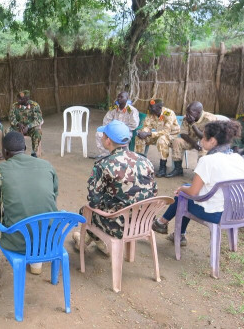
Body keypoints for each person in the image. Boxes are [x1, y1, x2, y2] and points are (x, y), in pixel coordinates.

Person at [0, 131, 58, 279]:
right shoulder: (47, 166)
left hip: (17, 241)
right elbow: (51, 203)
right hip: (48, 240)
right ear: (25, 148)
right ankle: (36, 263)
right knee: (38, 212)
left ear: (4, 152)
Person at [152, 121, 244, 246]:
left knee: (183, 195)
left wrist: (181, 189)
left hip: (217, 215)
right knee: (186, 190)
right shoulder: (238, 158)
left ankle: (165, 224)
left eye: (203, 137)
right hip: (237, 212)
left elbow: (193, 192)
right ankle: (166, 225)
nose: (201, 140)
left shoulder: (208, 160)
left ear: (212, 141)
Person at [73, 120, 157, 254]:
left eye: (104, 135)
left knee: (85, 211)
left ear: (108, 141)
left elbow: (94, 201)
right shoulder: (146, 161)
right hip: (143, 222)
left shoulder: (103, 165)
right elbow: (154, 192)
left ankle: (87, 240)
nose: (102, 137)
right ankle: (98, 241)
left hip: (118, 226)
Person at [166, 102, 217, 177]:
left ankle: (201, 175)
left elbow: (206, 138)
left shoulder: (209, 119)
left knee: (203, 148)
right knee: (177, 141)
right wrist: (194, 144)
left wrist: (193, 124)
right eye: (187, 111)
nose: (187, 114)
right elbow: (183, 133)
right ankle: (178, 169)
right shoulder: (187, 117)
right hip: (191, 140)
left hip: (206, 141)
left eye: (190, 112)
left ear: (198, 112)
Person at [135, 99, 180, 177]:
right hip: (157, 134)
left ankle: (163, 168)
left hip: (172, 135)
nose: (150, 109)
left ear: (159, 107)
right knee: (140, 138)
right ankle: (140, 163)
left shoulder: (168, 113)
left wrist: (148, 133)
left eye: (152, 107)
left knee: (162, 139)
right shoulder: (151, 113)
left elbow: (166, 131)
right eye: (150, 107)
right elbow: (146, 126)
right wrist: (144, 132)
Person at [95, 92, 140, 158]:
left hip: (125, 132)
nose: (119, 98)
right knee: (99, 134)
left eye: (121, 97)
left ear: (127, 99)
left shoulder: (131, 110)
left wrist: (122, 129)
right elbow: (106, 120)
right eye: (118, 97)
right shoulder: (113, 108)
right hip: (112, 130)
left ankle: (120, 156)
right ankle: (105, 155)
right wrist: (110, 129)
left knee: (121, 139)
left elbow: (134, 124)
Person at [9, 90, 44, 157]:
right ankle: (13, 152)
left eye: (21, 99)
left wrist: (28, 126)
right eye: (18, 98)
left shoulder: (34, 106)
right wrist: (18, 124)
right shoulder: (14, 106)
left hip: (30, 129)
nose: (18, 100)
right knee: (8, 131)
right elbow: (11, 118)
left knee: (38, 132)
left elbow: (38, 120)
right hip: (18, 128)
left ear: (27, 99)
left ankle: (34, 153)